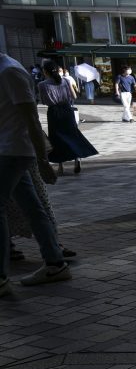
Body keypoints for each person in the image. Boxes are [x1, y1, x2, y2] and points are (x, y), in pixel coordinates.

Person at [0, 51, 71, 296]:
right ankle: (55, 263)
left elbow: (31, 117)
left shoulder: (10, 71)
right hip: (9, 150)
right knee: (32, 207)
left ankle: (1, 277)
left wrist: (43, 160)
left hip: (12, 151)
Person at [37, 61, 98, 177]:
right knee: (72, 134)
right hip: (67, 110)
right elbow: (74, 96)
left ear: (45, 71)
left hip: (54, 112)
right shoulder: (65, 81)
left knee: (56, 138)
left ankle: (61, 166)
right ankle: (77, 157)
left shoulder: (42, 85)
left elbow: (44, 101)